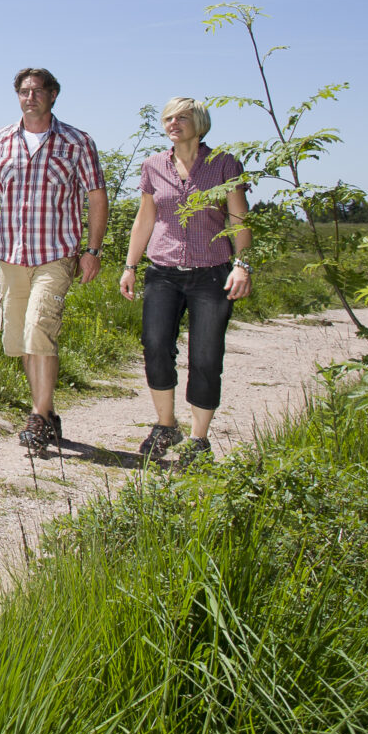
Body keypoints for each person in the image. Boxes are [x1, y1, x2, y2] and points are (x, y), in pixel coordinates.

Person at [0, 67, 108, 455]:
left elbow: (96, 196)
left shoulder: (77, 142)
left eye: (38, 91)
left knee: (39, 328)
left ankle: (38, 417)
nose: (30, 97)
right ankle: (47, 412)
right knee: (19, 339)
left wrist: (93, 250)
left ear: (53, 95)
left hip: (56, 253)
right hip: (11, 254)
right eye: (24, 91)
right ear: (18, 96)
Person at [119, 96, 252, 465]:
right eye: (168, 118)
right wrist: (130, 266)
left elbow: (239, 219)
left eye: (182, 117)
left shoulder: (224, 164)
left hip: (211, 273)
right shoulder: (153, 165)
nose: (173, 123)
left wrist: (242, 265)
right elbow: (145, 219)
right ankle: (165, 426)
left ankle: (198, 439)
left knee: (206, 356)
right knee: (155, 345)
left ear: (200, 123)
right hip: (162, 272)